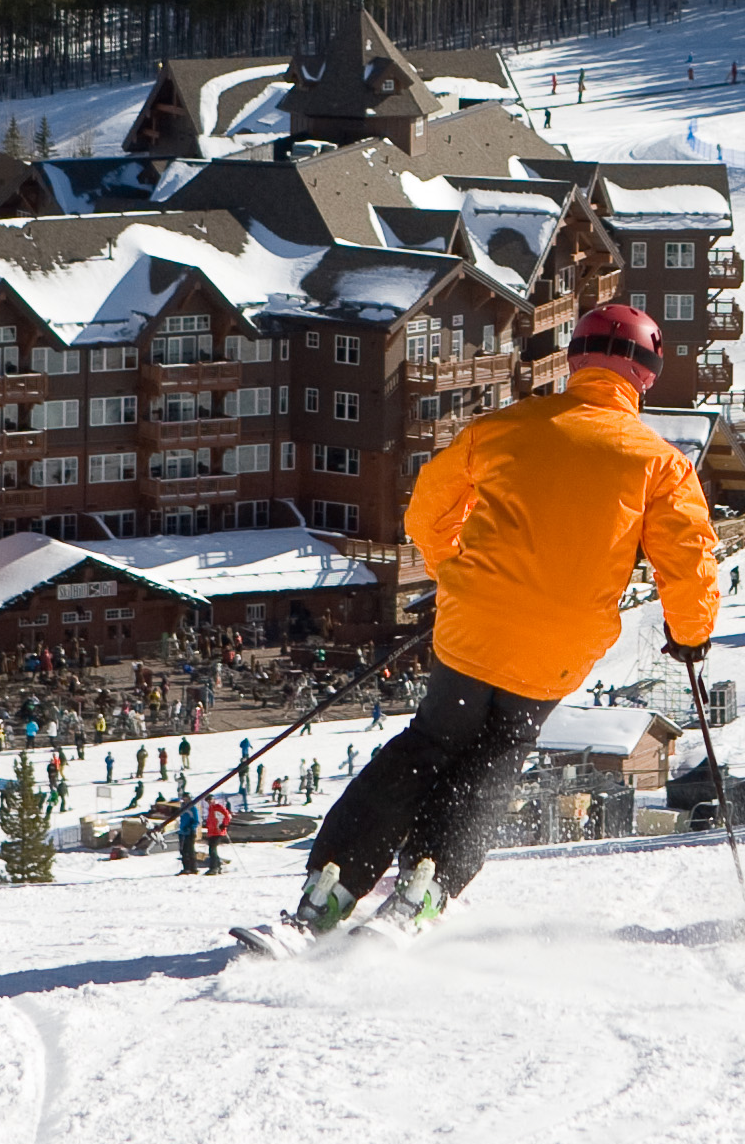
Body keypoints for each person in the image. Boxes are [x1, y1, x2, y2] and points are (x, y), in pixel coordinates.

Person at [285, 226, 720, 941]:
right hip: (556, 649)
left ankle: (332, 885)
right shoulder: (659, 463)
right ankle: (429, 881)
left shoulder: (507, 427)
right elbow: (689, 562)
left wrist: (457, 570)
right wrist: (690, 637)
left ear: (575, 359)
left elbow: (427, 506)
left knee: (429, 742)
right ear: (645, 376)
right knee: (498, 753)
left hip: (473, 625)